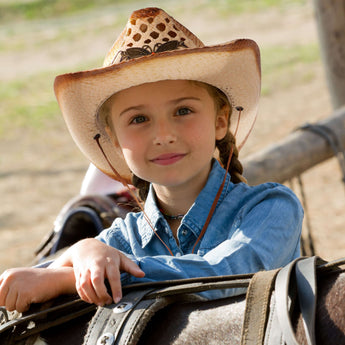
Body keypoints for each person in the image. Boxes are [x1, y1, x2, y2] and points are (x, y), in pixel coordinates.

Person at [0, 7, 303, 312]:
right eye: (139, 118)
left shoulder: (271, 208)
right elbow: (39, 280)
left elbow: (227, 273)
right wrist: (82, 250)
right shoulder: (121, 238)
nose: (163, 135)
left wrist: (78, 278)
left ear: (220, 122)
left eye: (183, 111)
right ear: (115, 139)